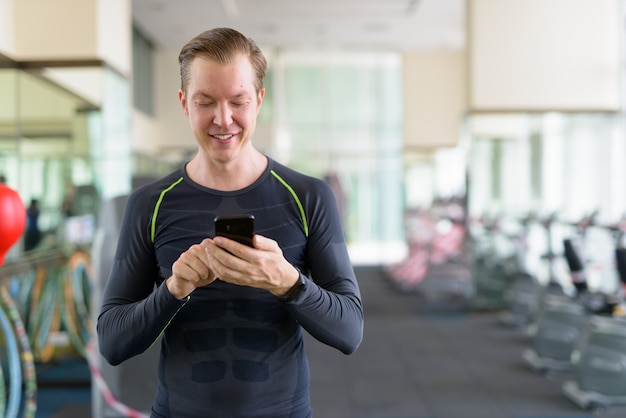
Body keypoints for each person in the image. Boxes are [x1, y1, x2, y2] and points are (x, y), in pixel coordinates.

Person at [96, 27, 363, 418]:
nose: (224, 120)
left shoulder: (309, 197)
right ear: (185, 103)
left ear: (258, 100)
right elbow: (113, 343)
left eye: (238, 101)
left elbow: (350, 331)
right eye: (207, 102)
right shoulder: (148, 205)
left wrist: (286, 282)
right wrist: (174, 288)